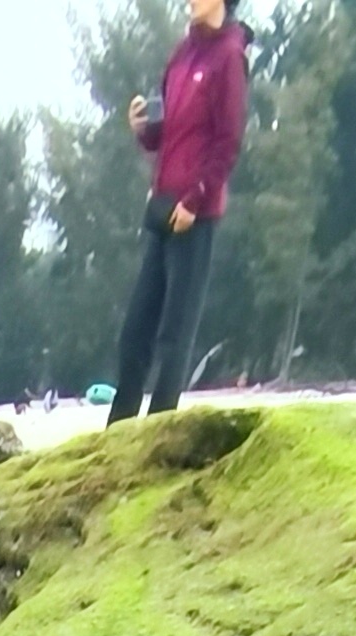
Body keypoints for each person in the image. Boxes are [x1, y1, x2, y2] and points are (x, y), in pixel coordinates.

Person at [110, 0, 250, 419]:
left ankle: (160, 428)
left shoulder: (230, 57)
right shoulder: (181, 53)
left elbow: (227, 143)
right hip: (162, 208)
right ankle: (118, 430)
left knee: (175, 335)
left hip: (196, 214)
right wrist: (143, 129)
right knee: (135, 331)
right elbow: (165, 131)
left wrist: (196, 199)